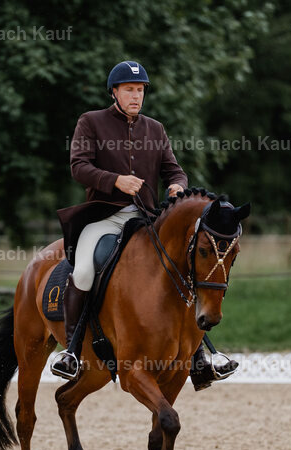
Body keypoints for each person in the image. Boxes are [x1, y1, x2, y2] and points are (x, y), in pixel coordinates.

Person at [52, 60, 238, 386]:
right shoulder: (91, 122)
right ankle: (71, 351)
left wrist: (178, 184)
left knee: (184, 268)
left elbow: (173, 168)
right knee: (83, 270)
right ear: (114, 92)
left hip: (147, 218)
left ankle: (199, 356)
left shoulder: (155, 128)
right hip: (104, 216)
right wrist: (115, 181)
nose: (136, 96)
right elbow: (79, 167)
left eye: (140, 90)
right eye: (129, 90)